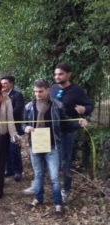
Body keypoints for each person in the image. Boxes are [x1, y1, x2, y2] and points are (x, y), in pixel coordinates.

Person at [23, 79, 88, 215]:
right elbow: (22, 124)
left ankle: (58, 203)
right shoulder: (29, 106)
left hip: (52, 146)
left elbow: (65, 123)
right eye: (35, 91)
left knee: (54, 177)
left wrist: (78, 122)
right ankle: (38, 198)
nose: (37, 94)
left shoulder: (57, 105)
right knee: (38, 174)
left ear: (47, 90)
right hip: (35, 145)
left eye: (40, 91)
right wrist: (26, 128)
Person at [49, 63, 93, 202]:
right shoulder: (53, 88)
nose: (57, 76)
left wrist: (84, 110)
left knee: (65, 161)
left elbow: (90, 106)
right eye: (55, 74)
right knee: (48, 158)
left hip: (67, 131)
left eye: (60, 74)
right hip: (51, 130)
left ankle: (65, 189)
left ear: (69, 74)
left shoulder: (77, 90)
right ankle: (46, 186)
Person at [1, 75, 25, 182]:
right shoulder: (0, 95)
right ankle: (8, 169)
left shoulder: (17, 95)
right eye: (2, 83)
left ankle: (18, 171)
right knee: (5, 149)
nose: (3, 85)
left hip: (14, 127)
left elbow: (18, 109)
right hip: (3, 127)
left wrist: (5, 115)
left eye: (5, 83)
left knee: (15, 149)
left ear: (11, 83)